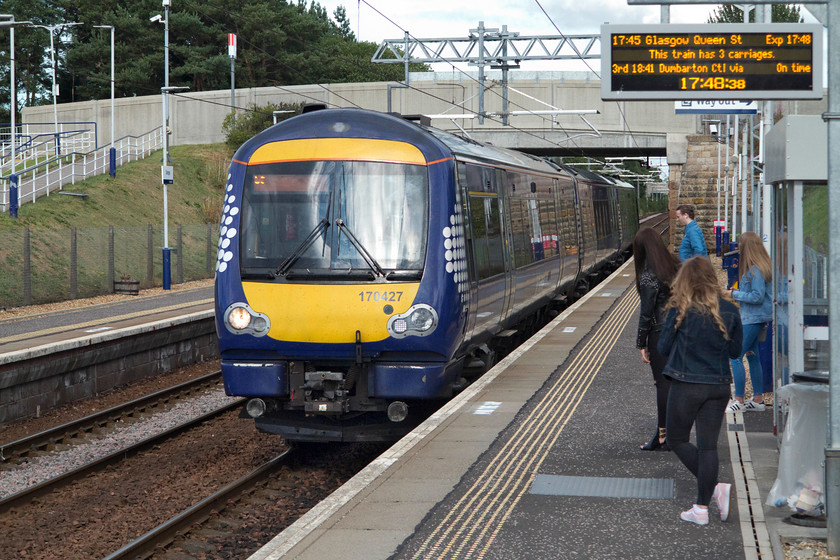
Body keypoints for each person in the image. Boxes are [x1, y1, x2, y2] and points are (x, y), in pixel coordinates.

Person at [658, 256, 742, 525]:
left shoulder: (680, 308)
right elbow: (735, 351)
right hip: (718, 387)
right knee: (708, 448)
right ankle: (702, 506)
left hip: (686, 386)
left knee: (677, 439)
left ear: (685, 280)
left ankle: (714, 490)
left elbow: (662, 348)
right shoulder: (729, 310)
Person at [633, 227, 681, 451]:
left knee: (661, 383)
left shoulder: (648, 276)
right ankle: (673, 432)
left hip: (659, 333)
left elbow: (646, 313)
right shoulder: (675, 265)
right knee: (673, 383)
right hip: (679, 330)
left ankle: (664, 435)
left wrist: (641, 343)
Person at [726, 231, 773, 413]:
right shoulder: (760, 267)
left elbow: (757, 296)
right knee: (753, 357)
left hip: (752, 319)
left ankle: (739, 400)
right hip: (756, 318)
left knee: (735, 356)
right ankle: (758, 400)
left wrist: (734, 294)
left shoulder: (754, 270)